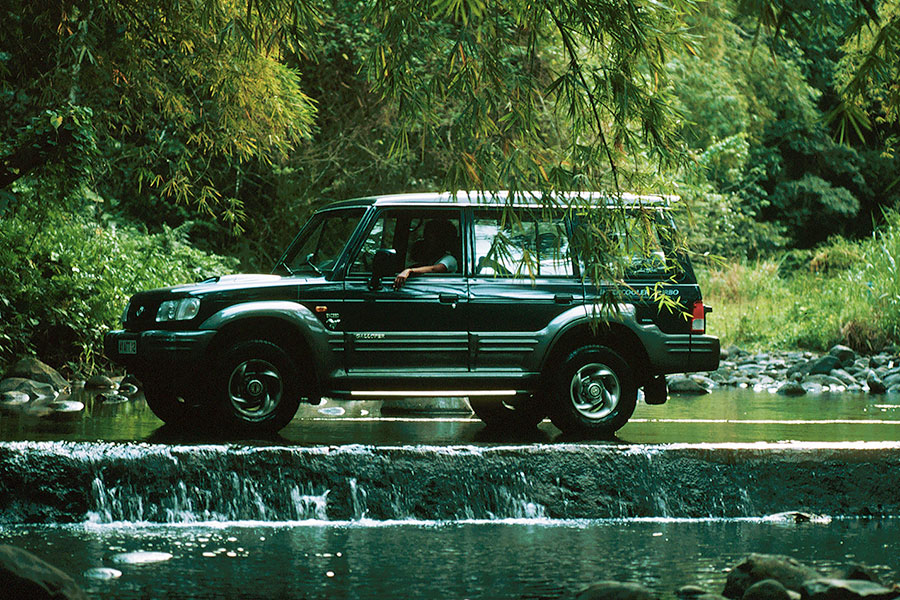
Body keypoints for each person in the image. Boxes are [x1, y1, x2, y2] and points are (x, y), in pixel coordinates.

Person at [393, 218, 458, 289]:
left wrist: (409, 271)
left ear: (440, 240)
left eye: (430, 238)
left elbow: (434, 269)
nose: (425, 241)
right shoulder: (431, 260)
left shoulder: (449, 259)